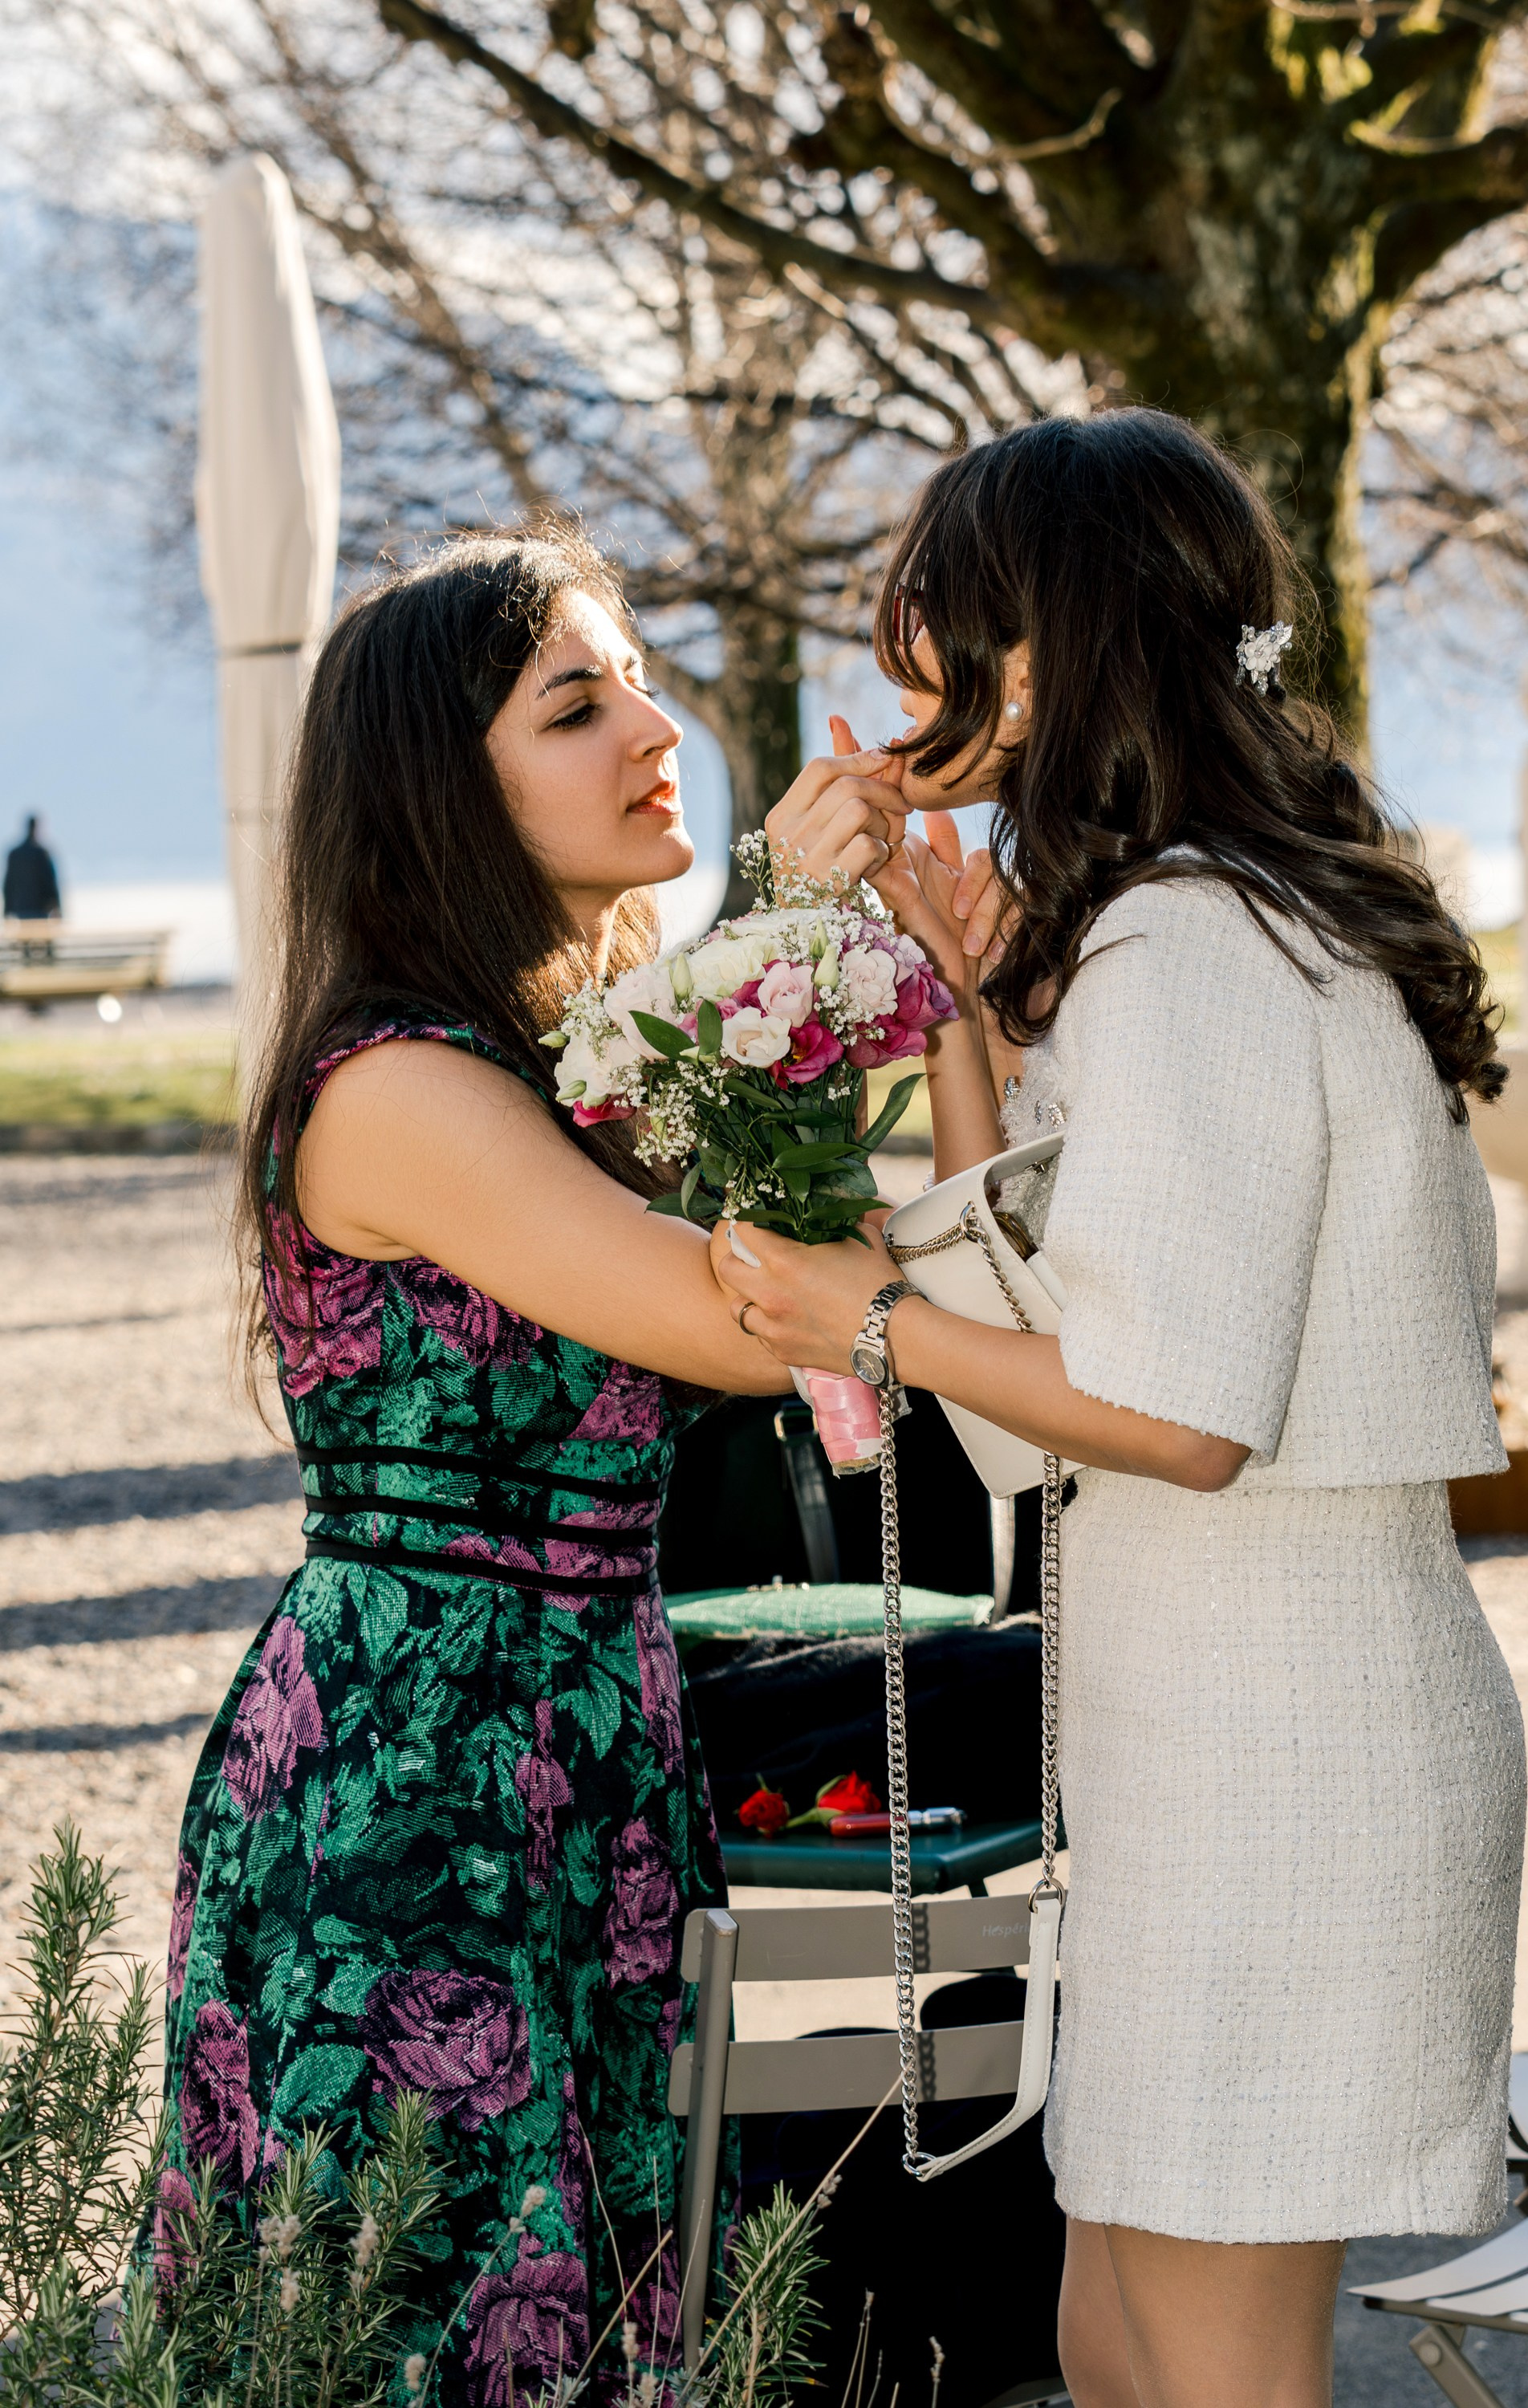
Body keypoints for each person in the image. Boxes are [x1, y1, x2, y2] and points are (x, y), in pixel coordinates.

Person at [717, 410, 1524, 2408]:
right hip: (1223, 1720)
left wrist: (862, 1313)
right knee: (1107, 2333)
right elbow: (1071, 1302)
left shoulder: (1193, 941)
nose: (906, 681)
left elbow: (1169, 1412)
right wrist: (971, 1006)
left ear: (1043, 650)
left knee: (1208, 2363)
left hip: (1285, 1740)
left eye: (940, 630)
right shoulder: (1195, 917)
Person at [158, 527, 903, 2401]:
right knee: (432, 2327)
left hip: (577, 1733)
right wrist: (800, 936)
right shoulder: (401, 1085)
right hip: (414, 1776)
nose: (648, 723)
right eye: (578, 703)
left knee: (595, 2316)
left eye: (637, 675)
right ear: (443, 791)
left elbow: (816, 1272)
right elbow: (752, 1320)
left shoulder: (565, 1054)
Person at [3, 816, 61, 920]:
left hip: (20, 911)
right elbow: (51, 883)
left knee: (24, 935)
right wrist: (57, 908)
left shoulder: (15, 854)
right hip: (40, 911)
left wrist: (7, 911)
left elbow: (8, 884)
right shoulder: (42, 854)